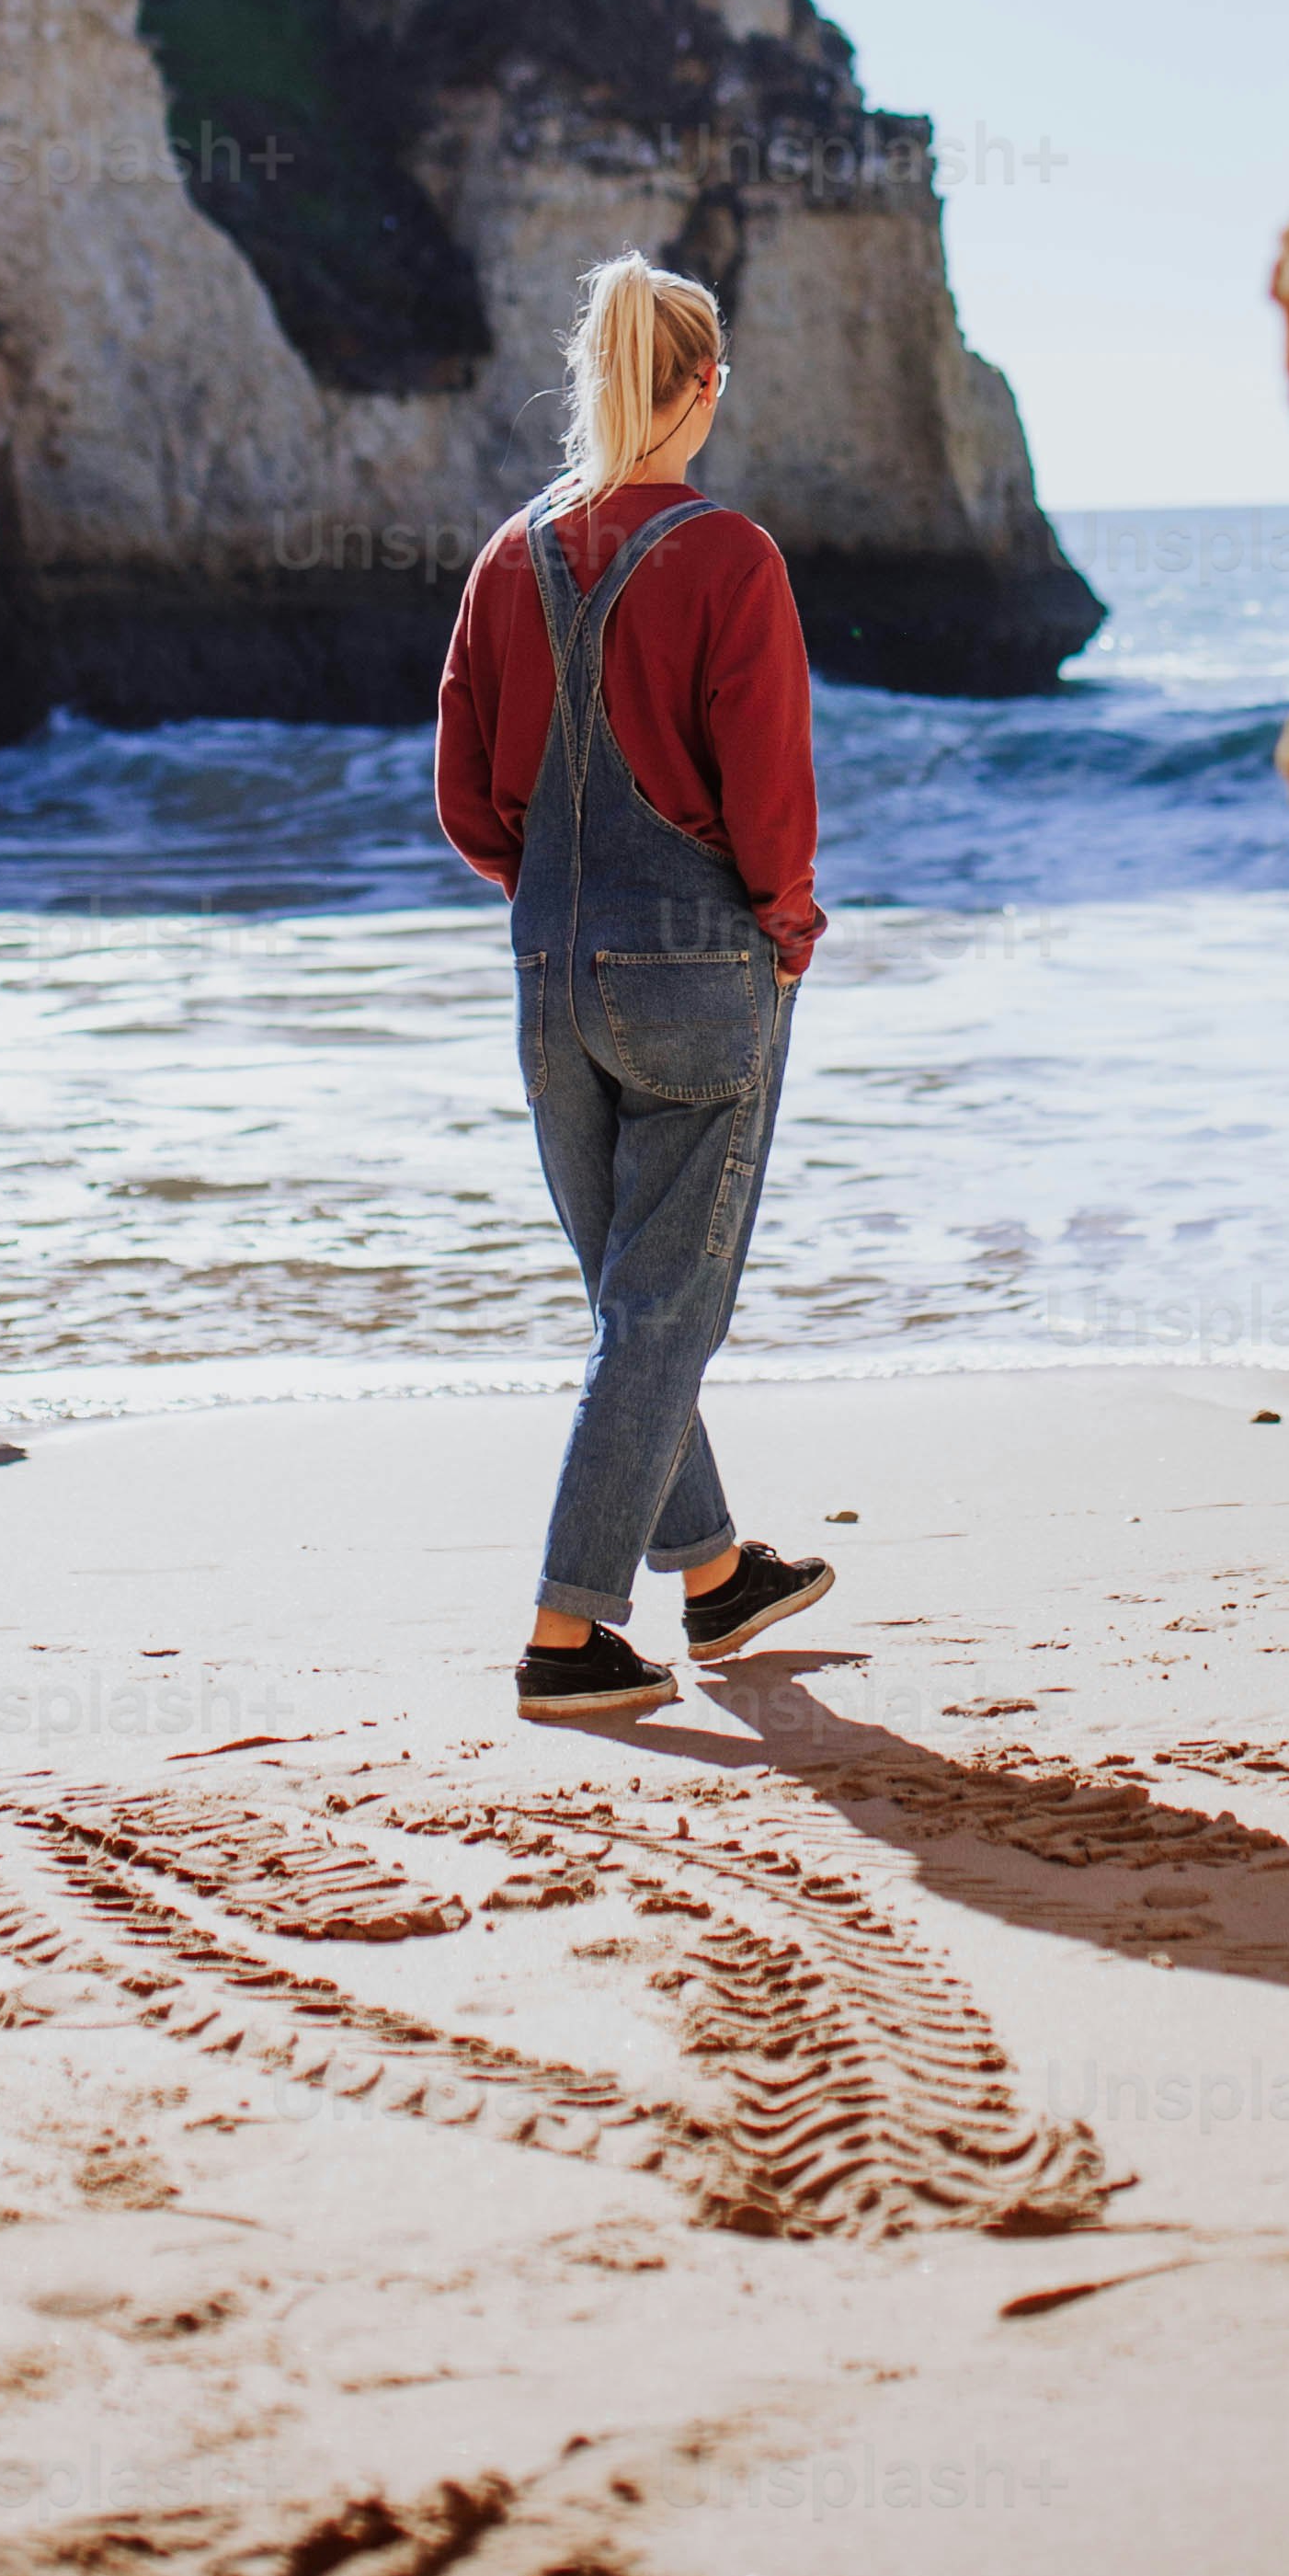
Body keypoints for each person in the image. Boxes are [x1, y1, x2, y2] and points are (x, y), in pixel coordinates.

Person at [436, 253, 835, 1719]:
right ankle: (564, 1633)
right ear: (703, 387)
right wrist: (785, 922)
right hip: (694, 969)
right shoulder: (732, 557)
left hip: (550, 969)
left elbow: (470, 798)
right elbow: (769, 788)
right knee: (666, 1310)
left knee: (630, 1298)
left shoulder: (506, 559)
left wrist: (559, 906)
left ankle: (717, 1576)